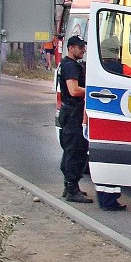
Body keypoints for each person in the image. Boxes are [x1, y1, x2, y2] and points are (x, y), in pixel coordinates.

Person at [58, 35, 93, 203]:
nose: (83, 50)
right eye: (80, 47)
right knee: (75, 150)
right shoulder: (71, 66)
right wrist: (93, 91)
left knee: (71, 150)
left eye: (84, 47)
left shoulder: (68, 64)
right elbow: (73, 90)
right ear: (71, 48)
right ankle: (72, 189)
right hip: (73, 113)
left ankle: (70, 186)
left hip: (69, 112)